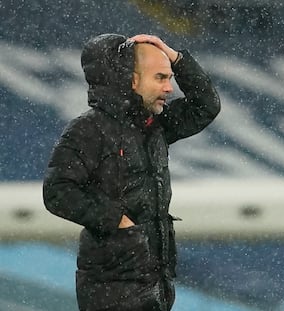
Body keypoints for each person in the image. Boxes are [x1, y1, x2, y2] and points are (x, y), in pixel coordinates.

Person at [43, 33, 220, 311]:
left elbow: (206, 105)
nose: (170, 88)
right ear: (132, 80)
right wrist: (120, 224)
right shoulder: (89, 130)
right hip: (112, 285)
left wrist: (176, 57)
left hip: (154, 281)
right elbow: (57, 191)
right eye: (161, 78)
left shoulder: (155, 125)